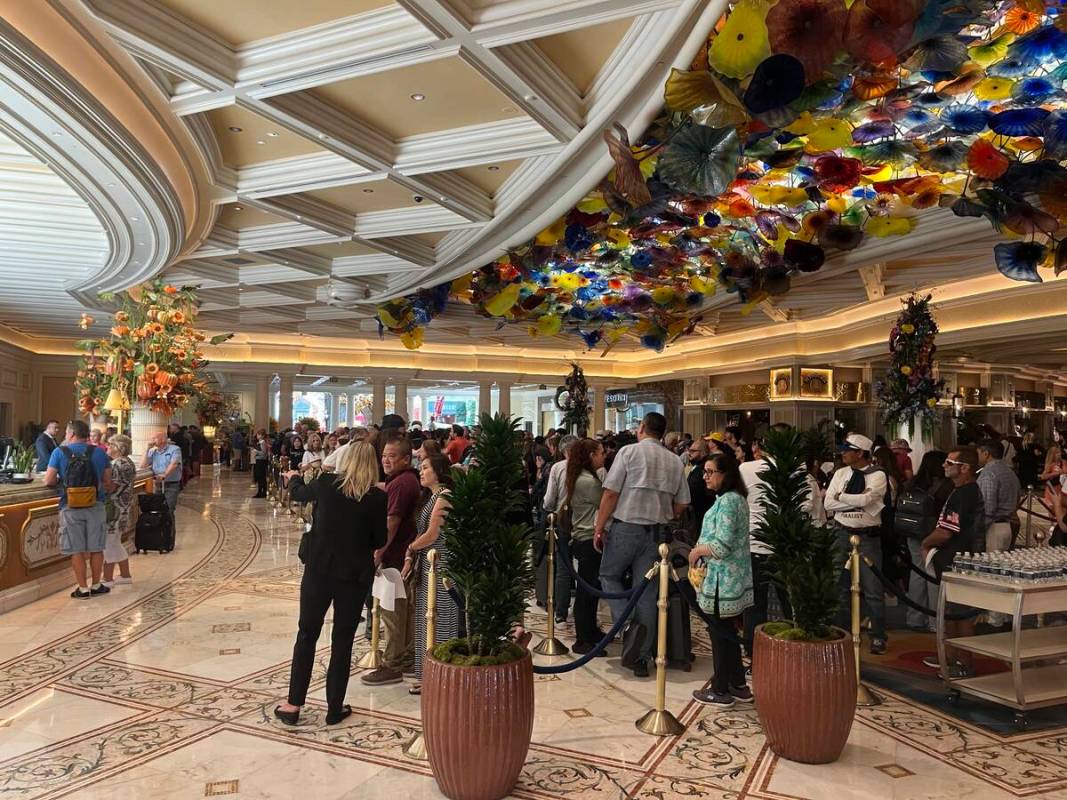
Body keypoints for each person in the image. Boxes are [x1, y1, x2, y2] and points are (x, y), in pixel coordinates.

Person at [275, 442, 387, 726]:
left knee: (307, 634)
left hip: (319, 570)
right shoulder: (375, 497)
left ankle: (293, 704)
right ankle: (334, 707)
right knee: (343, 640)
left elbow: (299, 494)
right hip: (354, 575)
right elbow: (379, 540)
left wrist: (294, 477)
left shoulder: (326, 484)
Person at [594, 411, 690, 677]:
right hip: (658, 533)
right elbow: (682, 503)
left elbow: (611, 492)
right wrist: (664, 510)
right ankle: (641, 657)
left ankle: (627, 625)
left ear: (642, 428)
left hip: (626, 528)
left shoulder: (628, 453)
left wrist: (599, 526)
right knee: (646, 591)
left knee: (608, 575)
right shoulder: (674, 461)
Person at [689, 453, 754, 708]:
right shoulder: (733, 499)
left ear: (725, 474)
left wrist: (697, 551)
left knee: (719, 633)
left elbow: (723, 545)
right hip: (729, 578)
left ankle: (719, 689)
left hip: (723, 580)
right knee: (726, 631)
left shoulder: (729, 501)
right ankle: (737, 684)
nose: (705, 477)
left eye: (710, 472)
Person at [920, 448, 985, 678]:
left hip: (958, 560)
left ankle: (964, 663)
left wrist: (926, 544)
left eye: (949, 462)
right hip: (958, 558)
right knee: (951, 611)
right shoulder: (963, 491)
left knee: (961, 614)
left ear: (964, 468)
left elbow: (946, 532)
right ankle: (950, 656)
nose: (944, 466)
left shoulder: (963, 494)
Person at [362, 437, 421, 686]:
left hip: (396, 557)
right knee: (401, 609)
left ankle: (394, 663)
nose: (386, 460)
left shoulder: (401, 484)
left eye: (392, 456)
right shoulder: (403, 480)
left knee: (392, 611)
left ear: (406, 459)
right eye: (384, 455)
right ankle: (405, 657)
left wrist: (377, 552)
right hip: (400, 556)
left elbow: (392, 522)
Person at [825, 433, 889, 655]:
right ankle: (841, 632)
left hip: (868, 536)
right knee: (839, 584)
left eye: (847, 450)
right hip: (842, 533)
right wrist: (851, 501)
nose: (843, 453)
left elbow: (866, 501)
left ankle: (878, 635)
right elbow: (828, 502)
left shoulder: (878, 475)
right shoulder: (841, 473)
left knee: (873, 588)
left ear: (860, 453)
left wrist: (842, 497)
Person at [403, 454, 456, 693]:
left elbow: (433, 534)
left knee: (440, 617)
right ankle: (427, 674)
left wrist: (411, 548)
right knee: (427, 616)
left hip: (440, 564)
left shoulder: (444, 496)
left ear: (438, 471)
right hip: (428, 562)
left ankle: (440, 676)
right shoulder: (432, 496)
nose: (421, 471)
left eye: (425, 468)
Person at [43, 420, 113, 599]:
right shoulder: (100, 453)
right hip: (96, 504)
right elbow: (107, 482)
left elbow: (49, 480)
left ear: (72, 434)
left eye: (66, 433)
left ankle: (82, 588)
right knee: (97, 548)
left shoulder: (59, 452)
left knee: (76, 549)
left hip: (70, 505)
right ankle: (97, 585)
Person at [551, 438, 606, 654]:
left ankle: (590, 631)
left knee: (591, 589)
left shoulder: (584, 477)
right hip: (587, 538)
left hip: (584, 538)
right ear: (591, 455)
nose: (604, 456)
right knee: (587, 590)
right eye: (601, 452)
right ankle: (583, 639)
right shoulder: (588, 482)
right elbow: (607, 503)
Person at [895, 450, 953, 631]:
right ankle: (934, 621)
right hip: (934, 534)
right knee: (933, 576)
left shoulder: (914, 483)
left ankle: (914, 617)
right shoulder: (946, 486)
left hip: (913, 532)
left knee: (916, 573)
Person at [739, 438, 784, 655]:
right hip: (783, 542)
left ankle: (752, 648)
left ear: (758, 449)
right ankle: (788, 646)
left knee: (754, 600)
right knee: (788, 599)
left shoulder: (746, 468)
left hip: (754, 540)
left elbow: (738, 502)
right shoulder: (792, 470)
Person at [977, 439, 1021, 626]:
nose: (977, 457)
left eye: (979, 453)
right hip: (1007, 524)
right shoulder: (1009, 472)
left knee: (992, 573)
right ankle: (1002, 614)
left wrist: (977, 532)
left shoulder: (989, 474)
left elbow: (987, 508)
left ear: (986, 453)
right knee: (1002, 572)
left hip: (993, 527)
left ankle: (994, 618)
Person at [102, 435, 136, 587]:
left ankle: (107, 579)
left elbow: (111, 487)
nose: (107, 447)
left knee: (108, 543)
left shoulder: (117, 464)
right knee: (115, 542)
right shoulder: (129, 462)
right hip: (124, 507)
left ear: (118, 448)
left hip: (114, 509)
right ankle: (125, 574)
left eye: (110, 444)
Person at [142, 431, 182, 535]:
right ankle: (159, 532)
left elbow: (174, 464)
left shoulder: (175, 449)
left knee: (169, 508)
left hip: (171, 483)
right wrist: (147, 449)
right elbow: (143, 465)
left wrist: (165, 474)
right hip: (158, 484)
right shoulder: (153, 451)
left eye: (154, 438)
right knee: (157, 509)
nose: (152, 441)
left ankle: (170, 534)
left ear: (163, 439)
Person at [252, 431, 269, 498]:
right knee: (259, 477)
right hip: (258, 460)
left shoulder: (263, 442)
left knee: (261, 477)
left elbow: (263, 453)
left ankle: (263, 492)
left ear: (262, 435)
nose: (257, 436)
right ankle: (260, 491)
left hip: (261, 461)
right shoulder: (259, 442)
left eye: (259, 434)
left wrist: (256, 451)